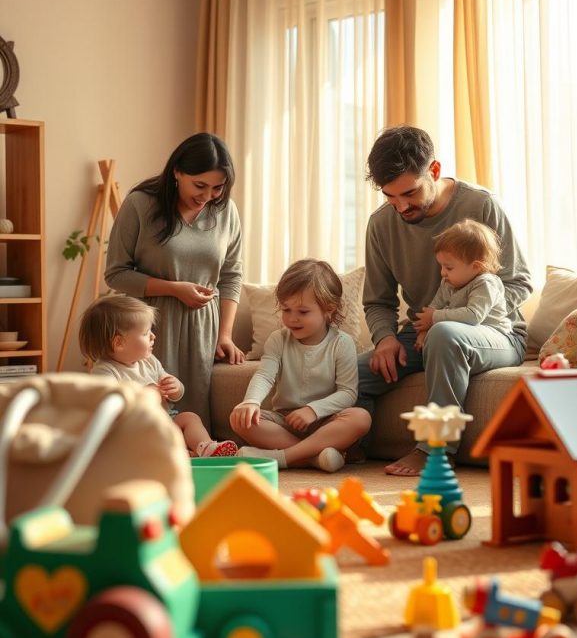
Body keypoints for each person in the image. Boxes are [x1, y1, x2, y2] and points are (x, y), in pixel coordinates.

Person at [359, 125, 532, 477]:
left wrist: (463, 314)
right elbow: (378, 301)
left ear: (434, 171)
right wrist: (386, 338)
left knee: (446, 335)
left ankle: (435, 451)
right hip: (424, 331)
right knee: (350, 372)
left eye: (409, 193)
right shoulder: (381, 224)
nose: (401, 206)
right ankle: (348, 445)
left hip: (494, 332)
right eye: (390, 197)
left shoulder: (481, 205)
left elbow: (519, 281)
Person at [104, 133, 244, 430]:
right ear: (177, 172)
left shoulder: (227, 212)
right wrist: (173, 289)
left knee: (192, 419)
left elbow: (231, 275)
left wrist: (225, 335)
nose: (207, 196)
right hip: (149, 326)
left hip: (202, 328)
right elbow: (116, 273)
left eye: (218, 187)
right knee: (150, 414)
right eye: (200, 185)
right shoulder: (140, 205)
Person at [229, 259, 371, 472]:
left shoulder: (342, 343)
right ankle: (315, 458)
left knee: (361, 417)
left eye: (303, 312)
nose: (292, 319)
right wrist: (251, 402)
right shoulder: (278, 339)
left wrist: (313, 410)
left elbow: (348, 393)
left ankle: (284, 457)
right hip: (285, 423)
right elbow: (265, 376)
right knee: (238, 418)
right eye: (286, 310)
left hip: (326, 422)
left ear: (329, 309)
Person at [79, 295, 239, 458]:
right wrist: (143, 396)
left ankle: (206, 448)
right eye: (145, 333)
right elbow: (110, 409)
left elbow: (173, 390)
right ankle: (179, 454)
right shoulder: (105, 372)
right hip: (135, 432)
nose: (153, 336)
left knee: (189, 418)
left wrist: (175, 387)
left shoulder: (149, 361)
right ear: (119, 343)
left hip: (167, 421)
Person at [413, 219, 512, 349]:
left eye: (449, 268)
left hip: (495, 339)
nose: (442, 273)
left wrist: (434, 317)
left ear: (476, 267)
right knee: (438, 336)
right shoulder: (447, 283)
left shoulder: (486, 283)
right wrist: (424, 332)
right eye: (441, 266)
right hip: (463, 337)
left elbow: (473, 316)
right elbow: (432, 310)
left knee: (442, 331)